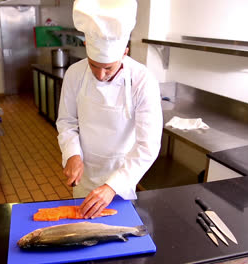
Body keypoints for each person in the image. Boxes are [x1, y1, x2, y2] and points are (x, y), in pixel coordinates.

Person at [56, 0, 163, 219]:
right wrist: (72, 154)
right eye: (94, 65)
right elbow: (66, 121)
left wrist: (113, 186)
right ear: (86, 46)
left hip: (122, 175)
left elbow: (147, 145)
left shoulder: (142, 80)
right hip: (84, 173)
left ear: (125, 52)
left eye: (108, 68)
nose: (100, 75)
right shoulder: (74, 74)